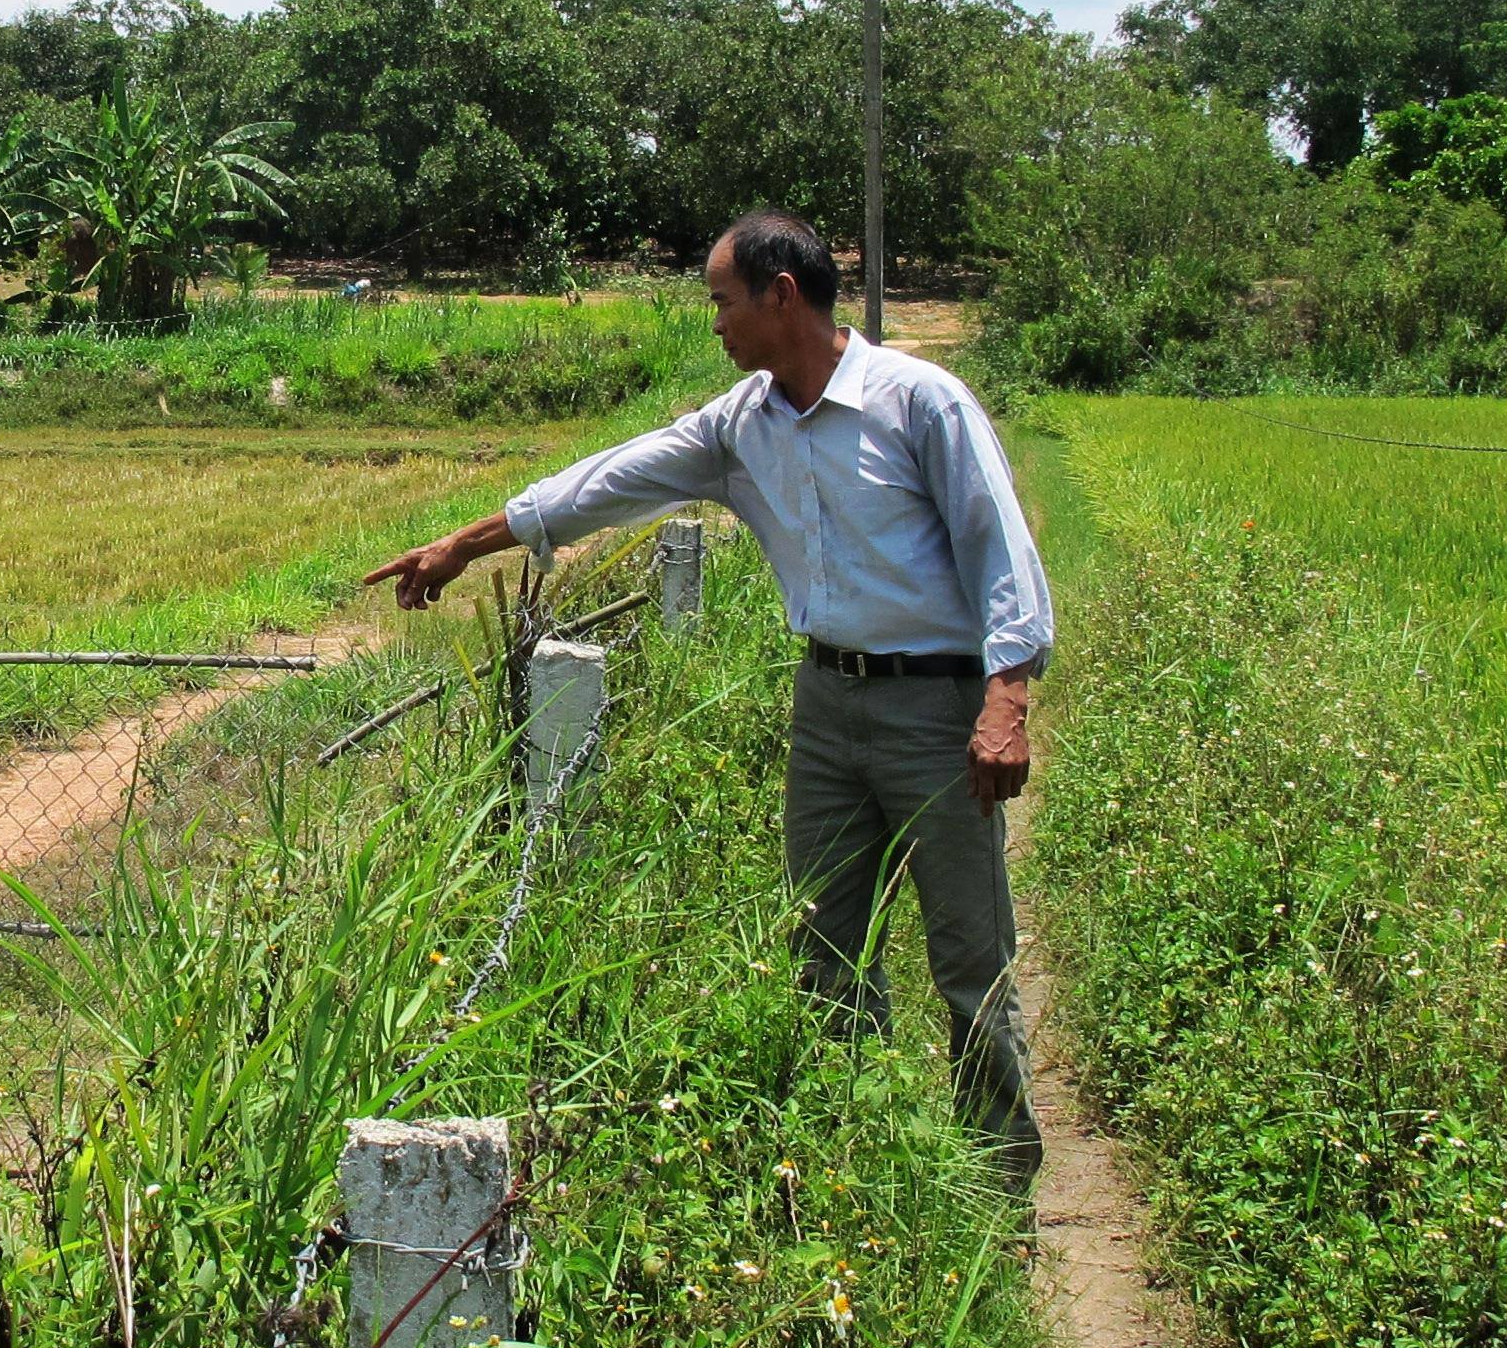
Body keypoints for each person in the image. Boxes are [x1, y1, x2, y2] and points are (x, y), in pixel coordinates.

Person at [363, 209, 1052, 1192]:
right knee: (823, 948)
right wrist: (465, 546)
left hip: (937, 708)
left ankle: (995, 1196)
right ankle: (853, 1168)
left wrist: (1007, 701)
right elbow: (605, 483)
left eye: (722, 304)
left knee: (969, 964)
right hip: (828, 704)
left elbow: (1001, 551)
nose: (715, 326)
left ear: (782, 296)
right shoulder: (741, 429)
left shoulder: (918, 404)